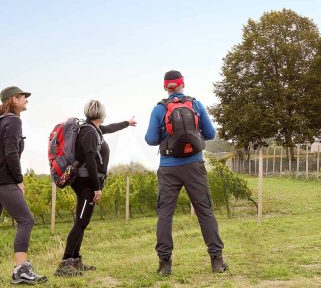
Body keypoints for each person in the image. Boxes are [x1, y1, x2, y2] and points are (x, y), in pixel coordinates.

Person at [145, 70, 227, 275]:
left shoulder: (159, 109)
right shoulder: (196, 105)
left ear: (165, 87)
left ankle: (165, 264)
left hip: (168, 168)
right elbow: (210, 134)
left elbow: (150, 139)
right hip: (195, 166)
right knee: (205, 212)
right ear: (183, 84)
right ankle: (217, 261)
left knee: (165, 215)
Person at [55, 100, 136, 277]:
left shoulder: (92, 129)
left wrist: (126, 123)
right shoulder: (90, 133)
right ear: (101, 114)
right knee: (81, 222)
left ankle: (75, 261)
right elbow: (91, 161)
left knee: (82, 222)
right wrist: (96, 188)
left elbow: (109, 128)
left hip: (85, 182)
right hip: (86, 184)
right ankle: (65, 264)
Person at [0, 86, 47, 284]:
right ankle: (20, 270)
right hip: (6, 180)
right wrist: (19, 180)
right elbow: (11, 154)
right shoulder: (13, 121)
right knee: (26, 220)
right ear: (13, 100)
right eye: (23, 97)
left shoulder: (2, 122)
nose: (26, 100)